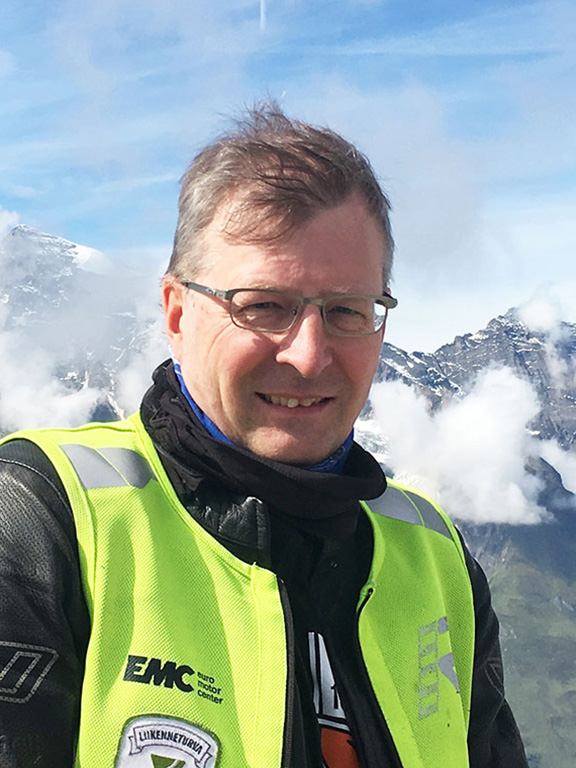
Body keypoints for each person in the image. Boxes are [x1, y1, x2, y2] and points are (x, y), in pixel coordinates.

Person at [0, 104, 527, 768]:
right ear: (176, 313)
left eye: (346, 310)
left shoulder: (438, 558)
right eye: (264, 306)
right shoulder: (39, 521)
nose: (308, 355)